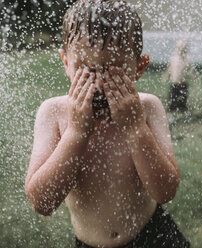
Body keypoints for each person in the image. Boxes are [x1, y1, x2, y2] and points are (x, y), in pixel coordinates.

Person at [24, 1, 190, 247]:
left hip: (156, 236)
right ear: (66, 63)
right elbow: (42, 202)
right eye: (86, 69)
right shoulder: (53, 113)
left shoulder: (147, 108)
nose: (99, 84)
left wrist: (135, 128)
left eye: (114, 70)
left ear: (139, 67)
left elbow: (165, 192)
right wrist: (77, 132)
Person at [161, 40, 198, 112]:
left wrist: (195, 84)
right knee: (172, 100)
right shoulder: (173, 59)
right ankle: (172, 114)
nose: (181, 50)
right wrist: (165, 77)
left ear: (186, 50)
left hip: (183, 84)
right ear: (177, 48)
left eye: (183, 48)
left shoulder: (187, 61)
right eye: (179, 48)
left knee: (182, 100)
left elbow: (193, 74)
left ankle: (183, 113)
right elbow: (169, 69)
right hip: (174, 84)